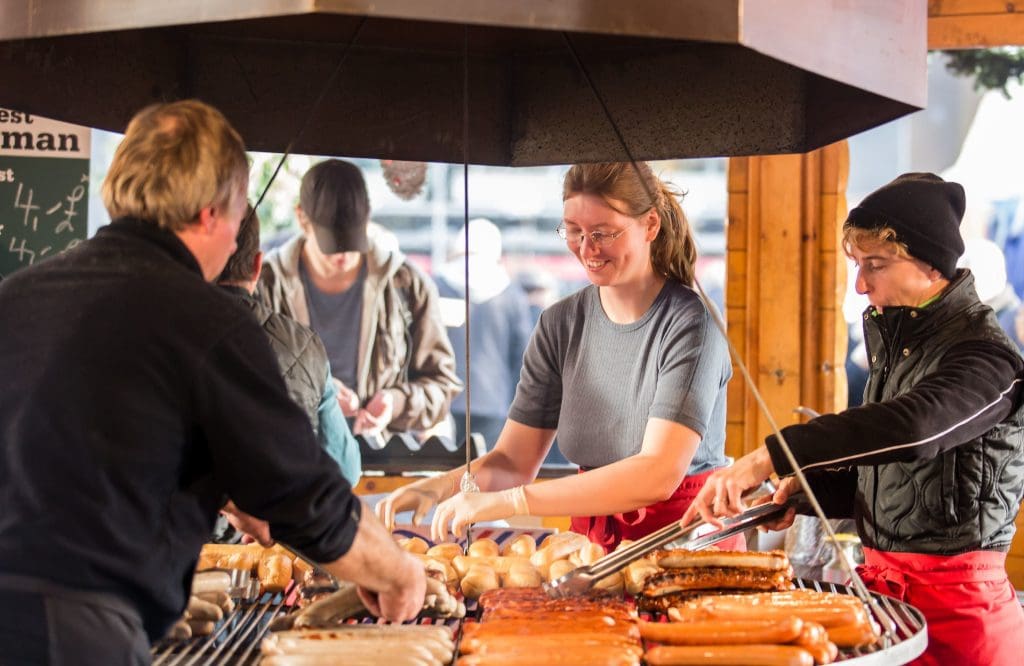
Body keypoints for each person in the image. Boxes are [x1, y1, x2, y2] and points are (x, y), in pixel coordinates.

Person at [0, 100, 424, 664]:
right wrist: (395, 572)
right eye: (236, 214)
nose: (236, 241)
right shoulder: (207, 322)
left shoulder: (19, 295)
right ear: (209, 215)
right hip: (68, 630)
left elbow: (91, 442)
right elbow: (303, 492)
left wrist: (222, 486)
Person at [682, 173, 1024, 666]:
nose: (861, 284)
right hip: (891, 608)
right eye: (858, 265)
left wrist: (771, 456)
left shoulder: (987, 358)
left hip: (963, 617)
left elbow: (914, 431)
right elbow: (901, 480)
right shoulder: (900, 347)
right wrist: (806, 494)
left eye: (875, 265)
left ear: (930, 264)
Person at [378, 161, 741, 551]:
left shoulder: (691, 324)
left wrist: (514, 502)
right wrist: (444, 485)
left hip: (686, 545)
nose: (586, 249)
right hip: (592, 550)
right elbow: (514, 463)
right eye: (574, 231)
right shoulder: (560, 323)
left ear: (650, 225)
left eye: (603, 233)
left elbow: (656, 474)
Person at [258, 159, 460, 439]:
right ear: (302, 218)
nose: (344, 254)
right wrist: (316, 394)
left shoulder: (406, 285)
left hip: (381, 461)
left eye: (353, 240)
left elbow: (441, 386)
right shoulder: (265, 285)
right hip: (289, 458)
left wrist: (396, 402)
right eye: (331, 242)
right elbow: (240, 385)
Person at [217, 205, 361, 486]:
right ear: (258, 265)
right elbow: (346, 470)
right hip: (275, 527)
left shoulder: (161, 335)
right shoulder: (306, 347)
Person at [435, 218, 534, 449]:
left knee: (445, 472)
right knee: (485, 475)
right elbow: (523, 356)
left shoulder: (439, 284)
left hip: (444, 401)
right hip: (494, 401)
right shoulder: (509, 293)